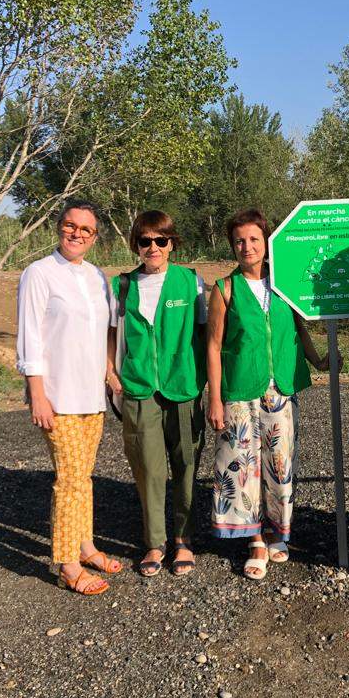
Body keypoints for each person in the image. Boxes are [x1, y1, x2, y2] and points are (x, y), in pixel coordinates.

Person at [206, 209, 330, 579]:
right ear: (232, 246)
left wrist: (318, 361)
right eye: (239, 241)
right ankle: (256, 539)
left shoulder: (284, 283)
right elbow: (214, 346)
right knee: (242, 467)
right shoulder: (225, 289)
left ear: (266, 242)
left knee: (279, 464)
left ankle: (278, 531)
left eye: (254, 239)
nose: (247, 247)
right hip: (240, 390)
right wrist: (215, 399)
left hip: (280, 390)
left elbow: (298, 329)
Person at [16, 200, 122, 595]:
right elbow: (29, 334)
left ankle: (86, 545)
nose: (77, 233)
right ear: (59, 227)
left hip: (91, 394)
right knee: (69, 479)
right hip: (57, 396)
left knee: (83, 477)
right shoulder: (39, 273)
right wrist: (37, 393)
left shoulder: (97, 277)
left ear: (94, 238)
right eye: (70, 225)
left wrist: (109, 371)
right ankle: (68, 563)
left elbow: (106, 330)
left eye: (86, 229)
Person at [107, 211, 206, 578]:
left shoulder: (191, 282)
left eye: (160, 240)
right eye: (145, 241)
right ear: (136, 244)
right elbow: (111, 332)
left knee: (186, 463)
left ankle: (183, 538)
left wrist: (207, 383)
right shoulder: (123, 285)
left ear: (171, 243)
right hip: (138, 387)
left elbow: (206, 333)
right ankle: (154, 542)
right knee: (147, 467)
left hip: (183, 386)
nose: (153, 247)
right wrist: (110, 372)